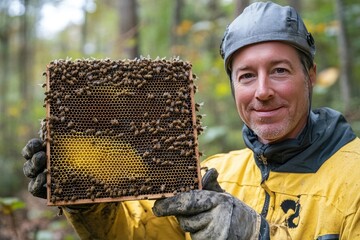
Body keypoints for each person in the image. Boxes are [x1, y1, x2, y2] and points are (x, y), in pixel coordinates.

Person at [22, 1, 360, 239]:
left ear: (310, 75)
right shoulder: (215, 172)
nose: (262, 91)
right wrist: (87, 198)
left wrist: (257, 235)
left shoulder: (353, 177)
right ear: (233, 87)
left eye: (279, 71)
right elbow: (138, 233)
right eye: (245, 76)